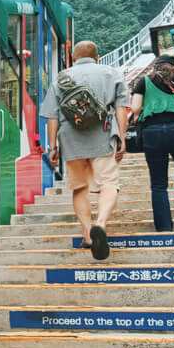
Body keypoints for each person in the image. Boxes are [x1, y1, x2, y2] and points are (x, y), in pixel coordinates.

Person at [42, 40, 131, 260]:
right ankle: (100, 223)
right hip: (102, 134)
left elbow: (52, 116)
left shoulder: (61, 78)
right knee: (109, 183)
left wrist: (53, 146)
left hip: (71, 139)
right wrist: (121, 137)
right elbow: (121, 109)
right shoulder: (111, 73)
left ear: (73, 58)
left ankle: (88, 236)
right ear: (98, 56)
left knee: (79, 187)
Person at [130, 54, 174, 231]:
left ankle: (164, 228)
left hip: (152, 131)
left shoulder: (144, 81)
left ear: (156, 66)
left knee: (158, 183)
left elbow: (136, 108)